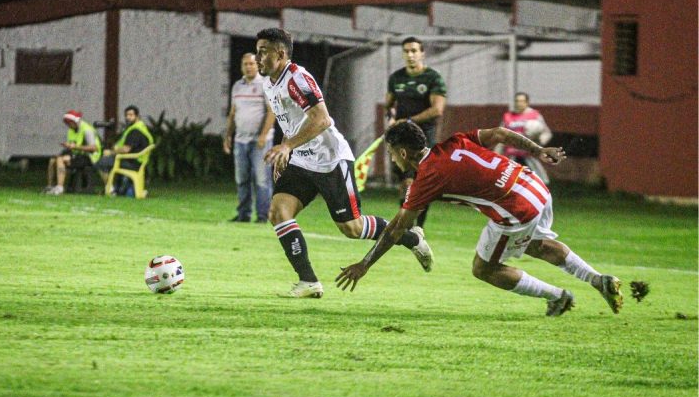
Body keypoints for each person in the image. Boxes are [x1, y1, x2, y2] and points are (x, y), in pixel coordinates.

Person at [336, 121, 623, 317]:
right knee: (537, 245)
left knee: (484, 269)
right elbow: (499, 133)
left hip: (516, 209)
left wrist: (365, 264)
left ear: (402, 153)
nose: (392, 160)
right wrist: (537, 151)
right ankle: (599, 280)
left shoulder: (428, 177)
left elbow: (398, 227)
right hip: (535, 187)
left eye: (390, 154)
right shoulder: (455, 141)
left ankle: (558, 297)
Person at [256, 28, 434, 299]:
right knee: (278, 212)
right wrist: (287, 150)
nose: (258, 57)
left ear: (280, 54)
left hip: (330, 160)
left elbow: (322, 119)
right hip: (302, 160)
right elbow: (289, 120)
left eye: (263, 52)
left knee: (352, 228)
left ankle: (412, 238)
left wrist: (287, 146)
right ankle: (308, 281)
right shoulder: (270, 82)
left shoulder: (297, 79)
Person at [385, 37, 447, 229]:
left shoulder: (433, 78)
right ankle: (409, 228)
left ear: (422, 53)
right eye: (406, 51)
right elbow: (389, 106)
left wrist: (409, 121)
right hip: (400, 138)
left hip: (422, 137)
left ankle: (415, 227)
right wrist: (391, 118)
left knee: (416, 184)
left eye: (414, 51)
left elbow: (437, 110)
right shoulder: (396, 78)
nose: (410, 55)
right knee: (404, 184)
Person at [224, 53, 275, 223]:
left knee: (262, 179)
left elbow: (271, 112)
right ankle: (243, 214)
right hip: (240, 140)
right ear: (241, 66)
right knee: (242, 179)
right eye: (245, 64)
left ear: (258, 65)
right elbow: (232, 113)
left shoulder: (265, 85)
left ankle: (262, 216)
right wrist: (228, 136)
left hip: (260, 141)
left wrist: (263, 135)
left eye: (252, 64)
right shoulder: (237, 86)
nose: (248, 67)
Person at [95, 105, 154, 194]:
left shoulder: (136, 131)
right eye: (126, 115)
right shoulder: (140, 128)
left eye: (131, 115)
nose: (128, 117)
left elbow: (126, 149)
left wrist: (111, 152)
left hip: (133, 162)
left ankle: (110, 189)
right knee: (108, 161)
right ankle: (114, 188)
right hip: (135, 161)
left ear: (137, 116)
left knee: (100, 163)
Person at [499, 92, 553, 184]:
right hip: (512, 155)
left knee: (539, 181)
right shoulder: (508, 117)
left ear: (527, 102)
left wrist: (540, 143)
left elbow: (547, 133)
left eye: (522, 101)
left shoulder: (535, 116)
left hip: (529, 155)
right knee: (508, 181)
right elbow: (500, 135)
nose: (519, 103)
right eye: (517, 101)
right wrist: (498, 152)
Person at [44, 110, 102, 195]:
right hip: (78, 154)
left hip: (90, 157)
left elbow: (94, 148)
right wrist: (69, 146)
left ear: (75, 121)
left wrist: (75, 147)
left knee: (60, 160)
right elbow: (74, 145)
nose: (68, 125)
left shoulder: (87, 130)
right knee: (53, 160)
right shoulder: (72, 129)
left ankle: (60, 187)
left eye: (69, 123)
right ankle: (50, 186)